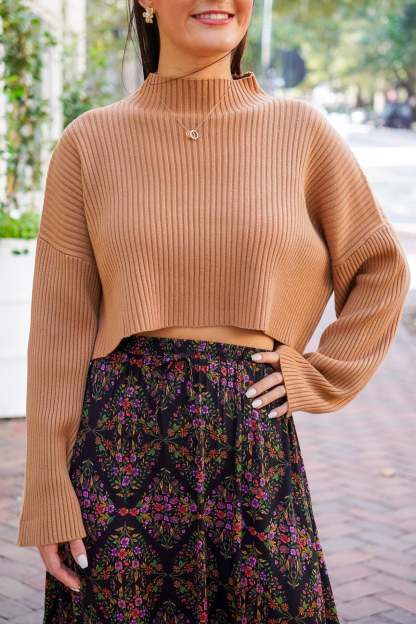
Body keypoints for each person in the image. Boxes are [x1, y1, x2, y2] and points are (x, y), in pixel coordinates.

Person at [16, 0, 410, 622]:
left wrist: (322, 373)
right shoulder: (89, 142)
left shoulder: (301, 134)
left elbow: (380, 268)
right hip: (120, 450)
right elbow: (59, 331)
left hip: (252, 437)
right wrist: (47, 491)